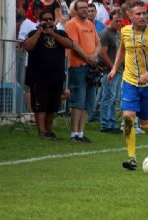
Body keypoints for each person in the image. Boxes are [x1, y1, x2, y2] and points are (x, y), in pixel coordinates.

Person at [107, 1, 148, 170]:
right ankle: (132, 158)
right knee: (128, 118)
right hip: (129, 82)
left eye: (144, 13)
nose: (143, 17)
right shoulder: (125, 31)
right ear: (130, 15)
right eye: (138, 14)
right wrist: (114, 69)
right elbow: (122, 49)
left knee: (144, 123)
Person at [23, 10, 73, 140]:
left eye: (50, 19)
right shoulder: (34, 33)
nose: (48, 21)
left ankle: (49, 131)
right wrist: (40, 31)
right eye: (45, 19)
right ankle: (42, 132)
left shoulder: (60, 33)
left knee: (52, 106)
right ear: (40, 21)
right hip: (38, 76)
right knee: (41, 106)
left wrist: (53, 34)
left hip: (56, 76)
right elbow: (28, 47)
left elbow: (70, 44)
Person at [65, 0, 101, 143]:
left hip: (91, 67)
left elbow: (98, 43)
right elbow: (74, 44)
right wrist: (87, 57)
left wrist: (94, 55)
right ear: (75, 10)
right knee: (77, 101)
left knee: (87, 102)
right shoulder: (71, 24)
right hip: (78, 66)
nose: (85, 10)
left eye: (86, 8)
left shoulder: (91, 25)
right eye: (81, 8)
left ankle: (80, 132)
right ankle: (74, 133)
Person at [99, 10, 122, 133]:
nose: (119, 23)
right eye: (116, 21)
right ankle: (105, 124)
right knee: (108, 97)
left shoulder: (118, 33)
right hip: (109, 71)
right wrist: (113, 68)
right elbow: (102, 53)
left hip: (118, 70)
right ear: (110, 20)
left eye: (120, 21)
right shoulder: (105, 33)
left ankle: (112, 122)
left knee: (115, 98)